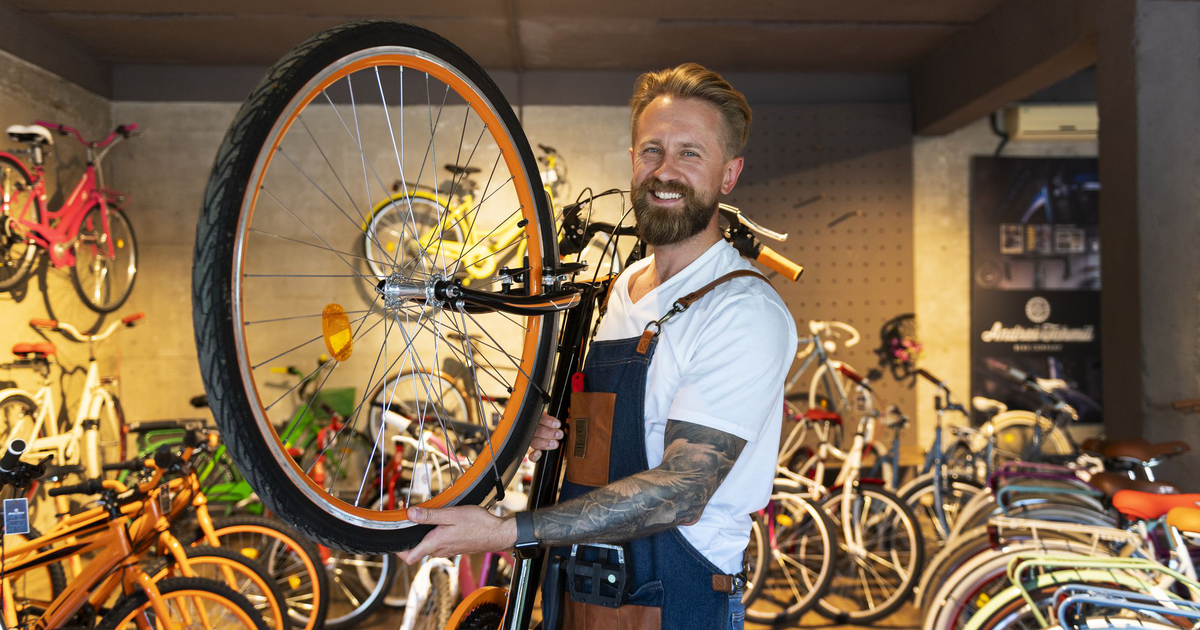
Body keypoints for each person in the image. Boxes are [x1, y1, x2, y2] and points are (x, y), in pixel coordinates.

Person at [398, 63, 797, 629]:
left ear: (729, 175)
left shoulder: (742, 311)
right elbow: (605, 438)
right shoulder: (619, 290)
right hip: (578, 589)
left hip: (673, 601)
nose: (665, 171)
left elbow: (683, 489)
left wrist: (508, 532)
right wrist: (556, 427)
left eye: (691, 153)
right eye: (651, 150)